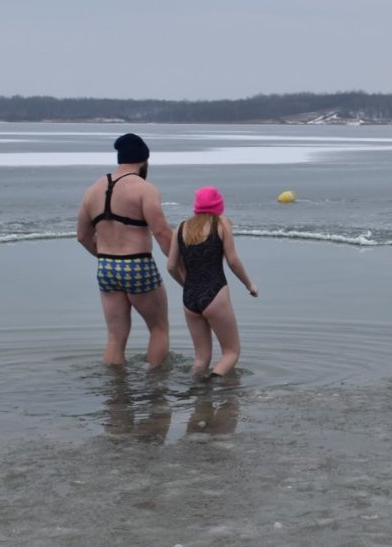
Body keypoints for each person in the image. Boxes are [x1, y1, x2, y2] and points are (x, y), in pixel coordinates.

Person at [76, 133, 174, 367]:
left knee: (115, 336)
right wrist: (182, 265)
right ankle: (156, 384)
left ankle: (115, 387)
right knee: (158, 329)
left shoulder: (93, 190)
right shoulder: (144, 189)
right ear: (144, 159)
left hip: (107, 266)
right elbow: (162, 233)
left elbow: (82, 236)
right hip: (138, 264)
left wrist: (103, 256)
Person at [167, 186, 258, 377]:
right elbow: (233, 261)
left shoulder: (182, 227)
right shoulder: (222, 224)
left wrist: (185, 284)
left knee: (201, 358)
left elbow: (171, 266)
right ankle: (213, 385)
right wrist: (249, 284)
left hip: (190, 297)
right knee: (231, 352)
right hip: (215, 293)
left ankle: (196, 389)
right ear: (218, 205)